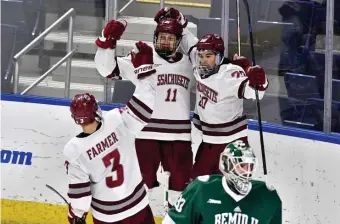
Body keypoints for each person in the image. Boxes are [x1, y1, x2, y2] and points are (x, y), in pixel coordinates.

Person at [154, 7, 269, 180]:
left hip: (233, 144)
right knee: (197, 187)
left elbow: (255, 93)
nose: (202, 60)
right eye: (201, 55)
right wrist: (178, 21)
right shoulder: (197, 61)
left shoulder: (231, 74)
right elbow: (187, 41)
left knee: (234, 189)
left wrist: (259, 81)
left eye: (208, 56)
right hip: (208, 143)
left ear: (219, 56)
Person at [94, 14, 195, 207]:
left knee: (182, 190)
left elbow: (206, 58)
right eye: (162, 37)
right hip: (146, 133)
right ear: (156, 37)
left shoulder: (189, 64)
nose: (166, 42)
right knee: (138, 186)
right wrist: (107, 43)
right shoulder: (143, 57)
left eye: (171, 38)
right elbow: (106, 69)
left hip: (179, 137)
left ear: (179, 41)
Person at [63, 41, 158, 224]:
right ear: (96, 111)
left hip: (107, 217)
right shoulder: (116, 120)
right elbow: (147, 103)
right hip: (138, 208)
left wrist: (75, 215)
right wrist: (146, 71)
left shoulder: (74, 151)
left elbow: (81, 197)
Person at [162, 140, 282, 224]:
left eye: (250, 166)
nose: (247, 171)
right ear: (227, 165)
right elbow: (171, 221)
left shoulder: (268, 197)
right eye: (242, 165)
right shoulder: (201, 189)